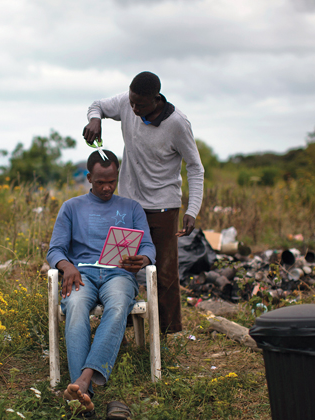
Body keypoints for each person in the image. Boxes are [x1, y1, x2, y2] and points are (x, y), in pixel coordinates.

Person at [83, 71, 204, 334]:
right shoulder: (128, 103)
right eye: (131, 102)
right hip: (129, 205)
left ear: (156, 99)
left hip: (163, 206)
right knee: (121, 266)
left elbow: (195, 167)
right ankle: (120, 327)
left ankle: (169, 334)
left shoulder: (177, 124)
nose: (133, 108)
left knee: (164, 273)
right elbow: (98, 105)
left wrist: (192, 209)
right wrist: (95, 120)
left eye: (140, 104)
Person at [46, 150, 156, 418]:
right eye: (100, 182)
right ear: (88, 178)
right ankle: (84, 392)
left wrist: (142, 259)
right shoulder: (71, 207)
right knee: (76, 306)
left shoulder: (132, 208)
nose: (107, 188)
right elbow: (54, 250)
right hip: (82, 273)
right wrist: (67, 266)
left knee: (118, 306)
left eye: (112, 181)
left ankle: (82, 382)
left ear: (117, 177)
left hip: (118, 274)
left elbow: (149, 246)